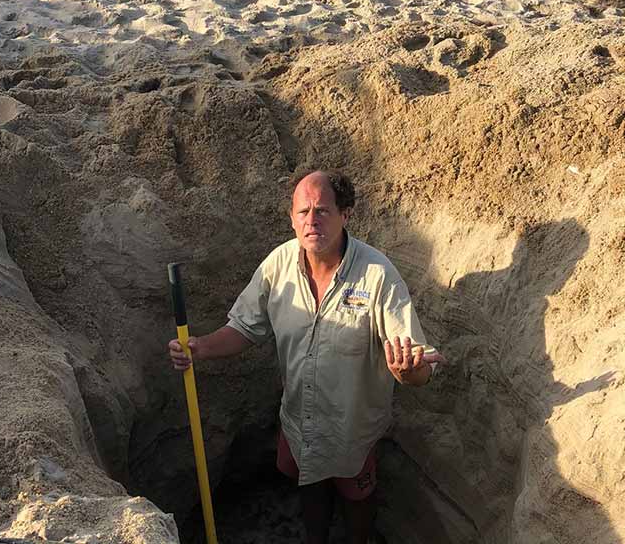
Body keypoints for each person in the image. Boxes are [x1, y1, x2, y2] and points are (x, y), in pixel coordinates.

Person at [168, 169, 445, 543]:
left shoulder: (378, 276)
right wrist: (201, 347)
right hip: (299, 421)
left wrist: (408, 371)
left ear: (345, 214)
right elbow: (245, 328)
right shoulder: (277, 266)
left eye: (322, 210)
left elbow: (418, 366)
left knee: (357, 496)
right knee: (309, 485)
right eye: (303, 212)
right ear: (292, 217)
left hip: (352, 431)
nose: (311, 221)